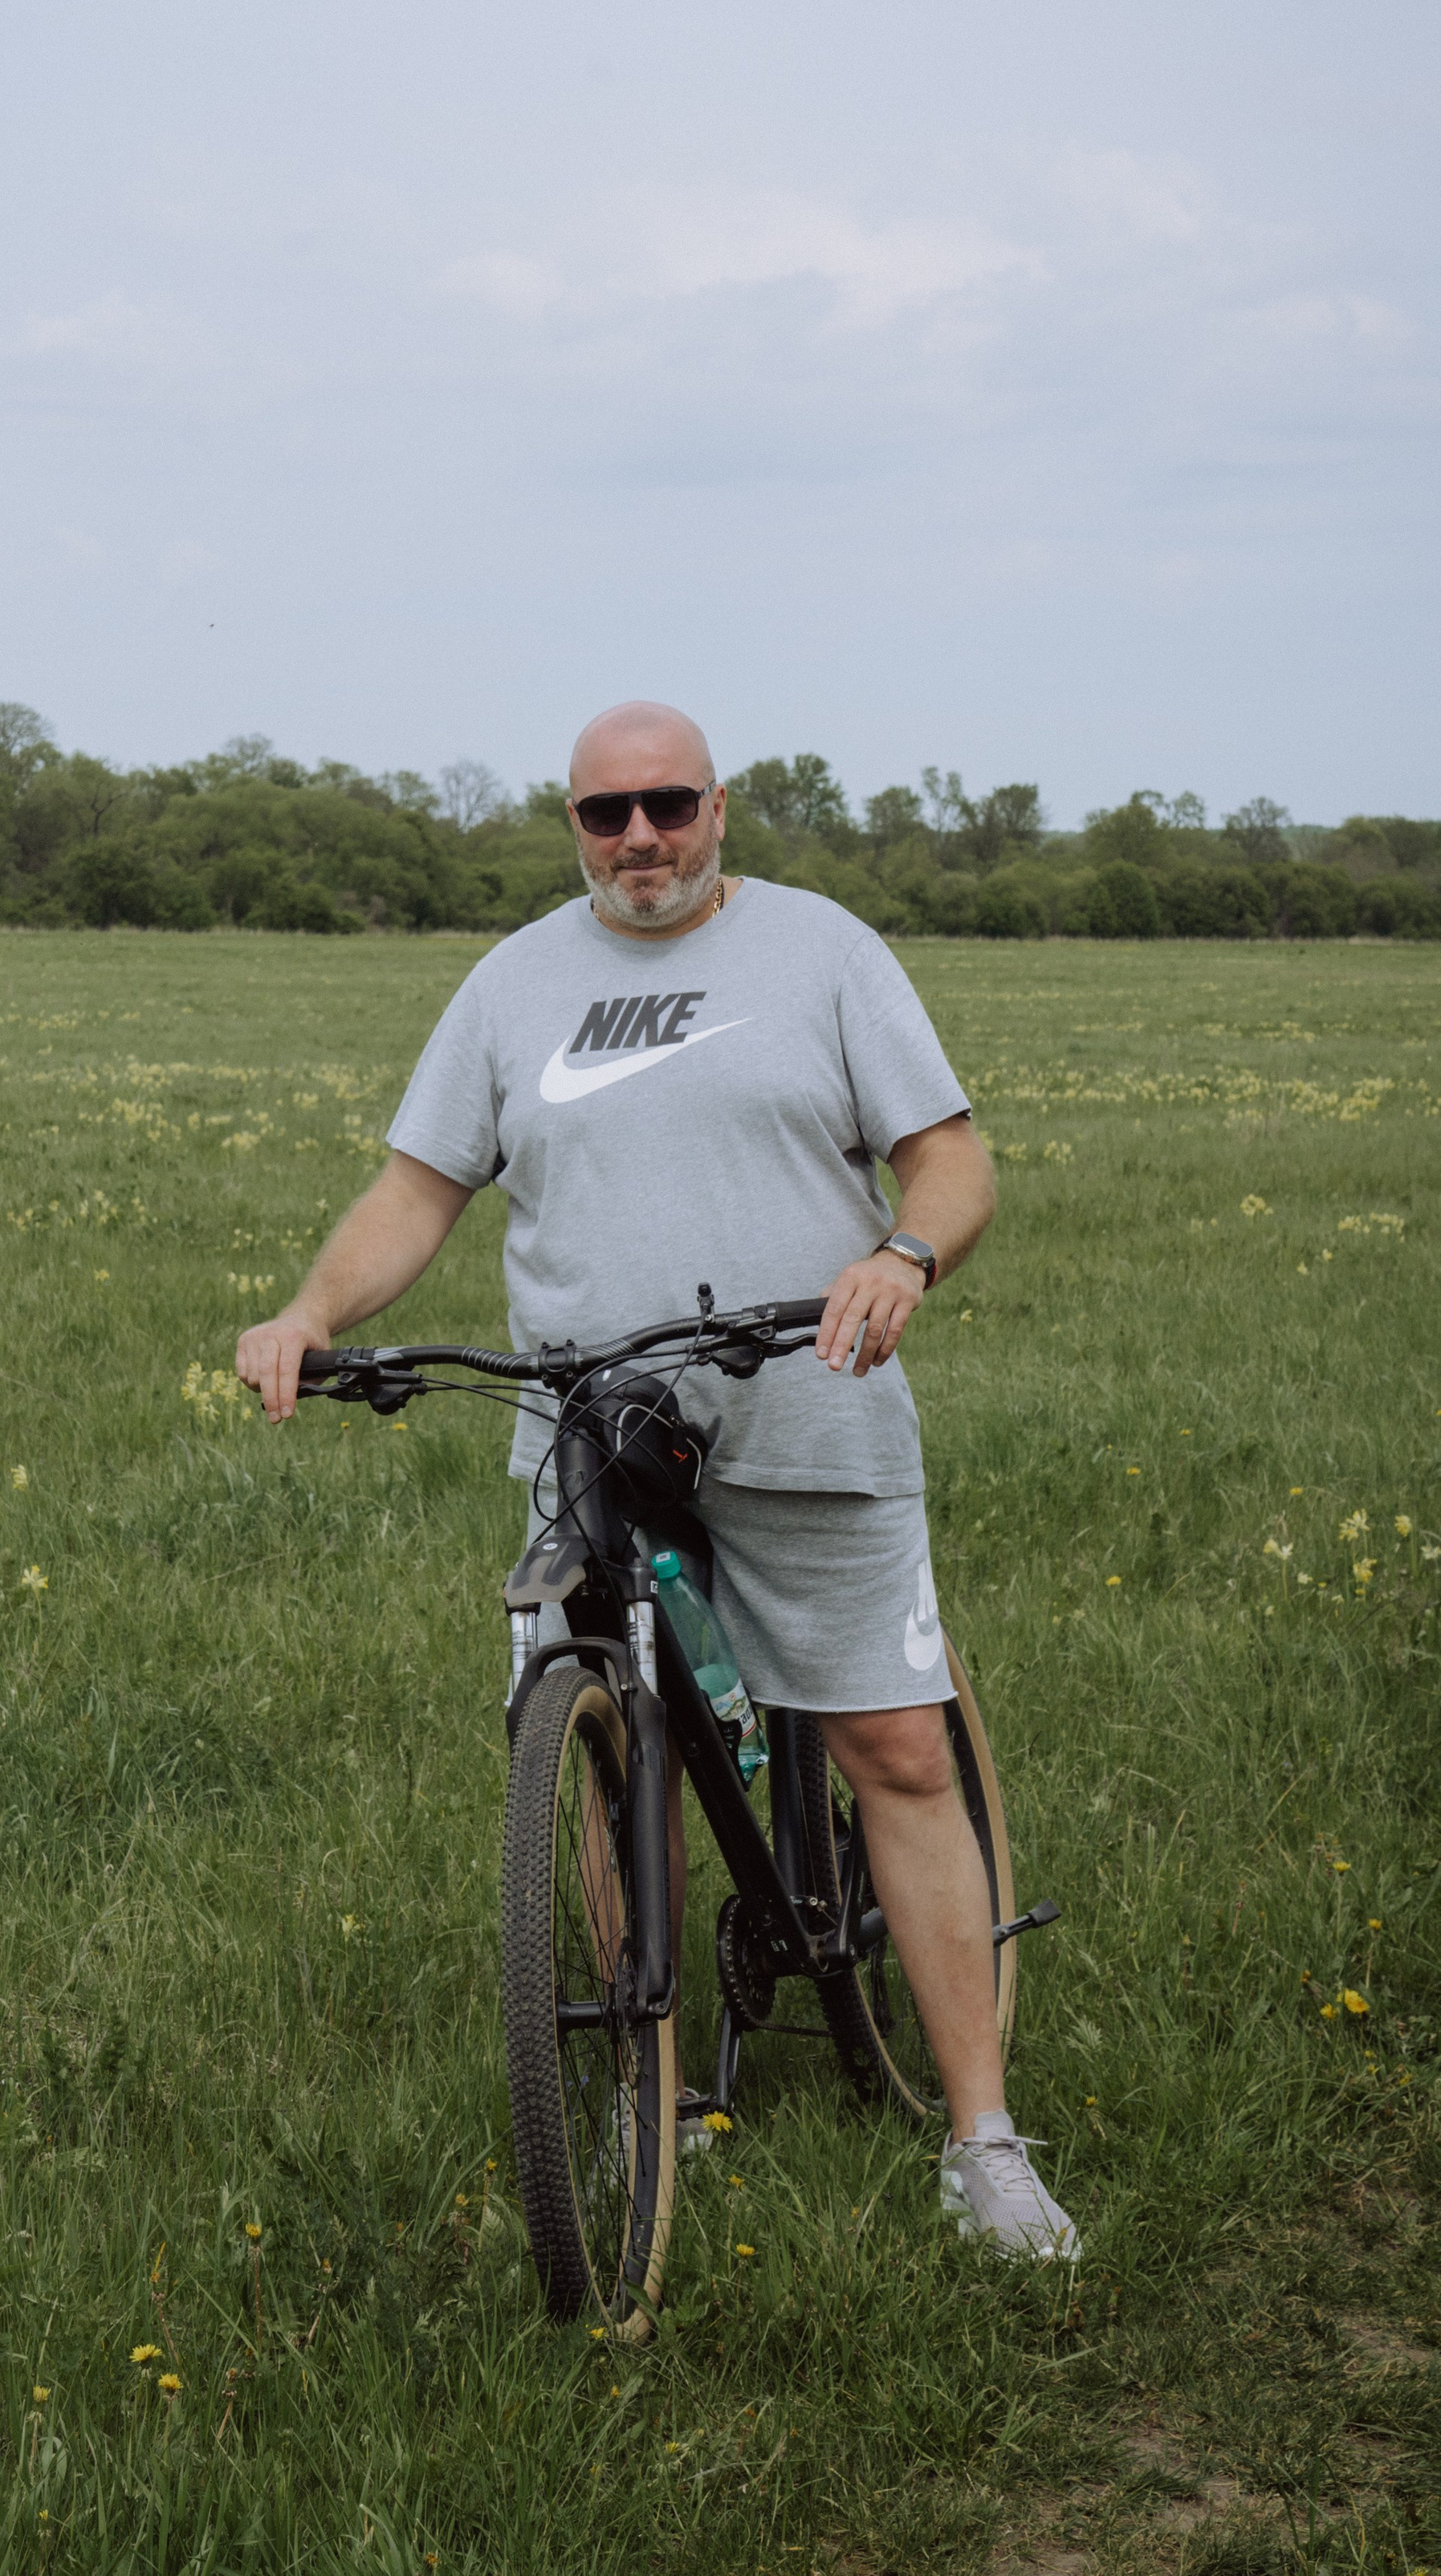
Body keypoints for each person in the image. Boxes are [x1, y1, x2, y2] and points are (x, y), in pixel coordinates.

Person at [237, 699, 1080, 2260]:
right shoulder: (511, 983)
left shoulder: (823, 952)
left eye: (668, 805)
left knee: (897, 1751)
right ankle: (655, 2081)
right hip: (593, 1432)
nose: (639, 838)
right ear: (572, 823)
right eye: (605, 812)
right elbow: (416, 1189)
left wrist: (902, 1255)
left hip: (811, 1410)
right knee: (610, 1744)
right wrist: (308, 1314)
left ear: (717, 807)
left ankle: (982, 2140)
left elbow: (951, 1160)